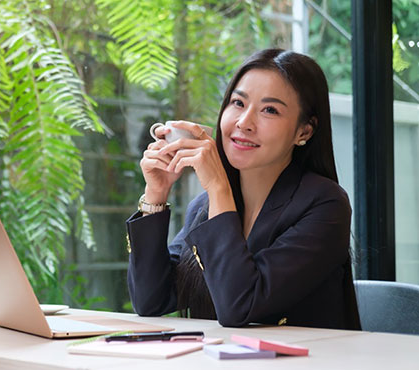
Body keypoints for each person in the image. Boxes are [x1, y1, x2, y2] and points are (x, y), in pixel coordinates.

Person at [126, 48, 361, 330]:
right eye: (238, 103)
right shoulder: (205, 207)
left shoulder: (325, 205)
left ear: (304, 132)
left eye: (270, 110)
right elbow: (151, 300)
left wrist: (217, 186)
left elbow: (240, 307)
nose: (244, 122)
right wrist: (156, 195)